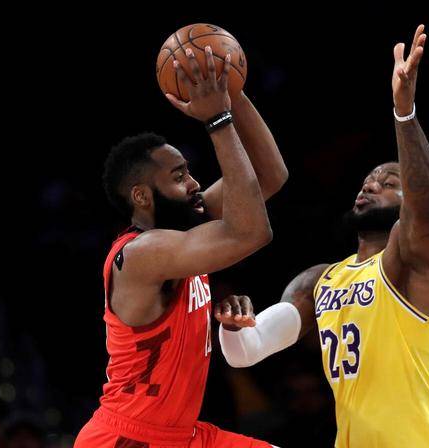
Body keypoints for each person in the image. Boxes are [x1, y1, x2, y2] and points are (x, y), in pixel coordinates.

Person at [216, 25, 429, 447]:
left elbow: (425, 202)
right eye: (368, 181)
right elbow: (248, 351)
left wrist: (404, 112)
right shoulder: (319, 280)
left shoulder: (410, 265)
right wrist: (232, 328)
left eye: (388, 182)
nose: (371, 184)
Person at [75, 46, 287, 448]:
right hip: (128, 437)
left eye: (188, 172)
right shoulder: (140, 254)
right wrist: (217, 120)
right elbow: (251, 233)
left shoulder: (185, 226)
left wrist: (233, 94)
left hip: (181, 435)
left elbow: (269, 175)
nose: (193, 184)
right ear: (142, 196)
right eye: (178, 177)